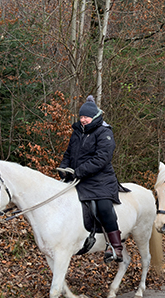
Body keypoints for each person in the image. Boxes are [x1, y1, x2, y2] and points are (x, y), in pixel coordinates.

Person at [58, 95, 124, 263]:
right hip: (78, 177)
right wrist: (64, 169)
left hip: (100, 179)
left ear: (94, 116)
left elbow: (102, 159)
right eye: (81, 117)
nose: (83, 120)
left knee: (103, 207)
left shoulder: (104, 132)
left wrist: (79, 171)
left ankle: (115, 247)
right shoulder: (77, 132)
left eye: (86, 117)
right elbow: (68, 154)